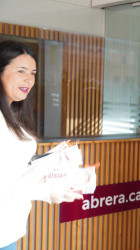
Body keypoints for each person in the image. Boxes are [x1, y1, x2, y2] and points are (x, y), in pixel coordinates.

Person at [0, 40, 83, 250]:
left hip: (9, 230)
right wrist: (47, 190)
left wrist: (51, 168)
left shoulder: (12, 116)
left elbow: (15, 174)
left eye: (33, 73)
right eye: (21, 71)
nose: (29, 79)